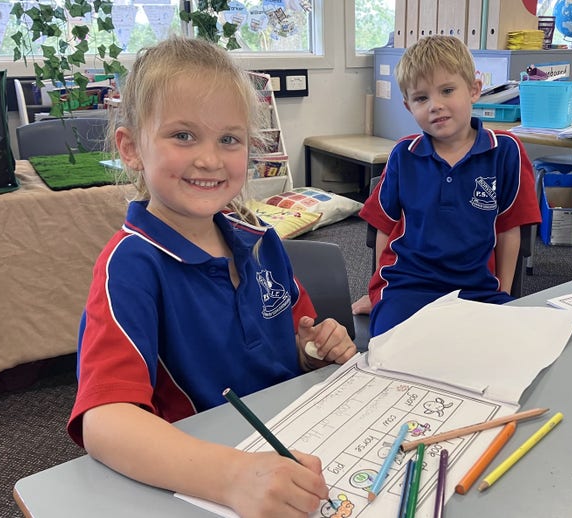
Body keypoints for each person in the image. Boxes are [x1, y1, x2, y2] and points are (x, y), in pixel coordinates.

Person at [67, 37, 356, 517]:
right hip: (200, 478)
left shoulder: (259, 240)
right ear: (132, 148)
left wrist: (316, 350)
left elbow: (299, 343)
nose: (209, 159)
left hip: (295, 441)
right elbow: (104, 420)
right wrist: (233, 477)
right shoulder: (130, 266)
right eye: (183, 135)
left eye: (229, 138)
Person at [356, 35, 541, 337]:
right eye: (421, 98)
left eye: (447, 90)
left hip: (476, 287)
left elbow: (510, 230)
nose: (435, 106)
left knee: (490, 354)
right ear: (408, 106)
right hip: (407, 284)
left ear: (474, 89)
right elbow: (383, 227)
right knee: (392, 349)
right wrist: (378, 293)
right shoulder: (404, 154)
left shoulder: (505, 150)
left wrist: (504, 297)